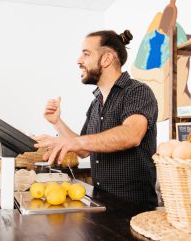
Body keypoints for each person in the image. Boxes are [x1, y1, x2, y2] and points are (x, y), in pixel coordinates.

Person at [34, 30, 158, 207]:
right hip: (100, 202)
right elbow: (83, 149)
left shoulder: (137, 92)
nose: (79, 60)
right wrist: (57, 122)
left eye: (86, 53)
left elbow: (132, 135)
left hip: (133, 209)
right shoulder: (96, 103)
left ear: (106, 59)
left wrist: (76, 143)